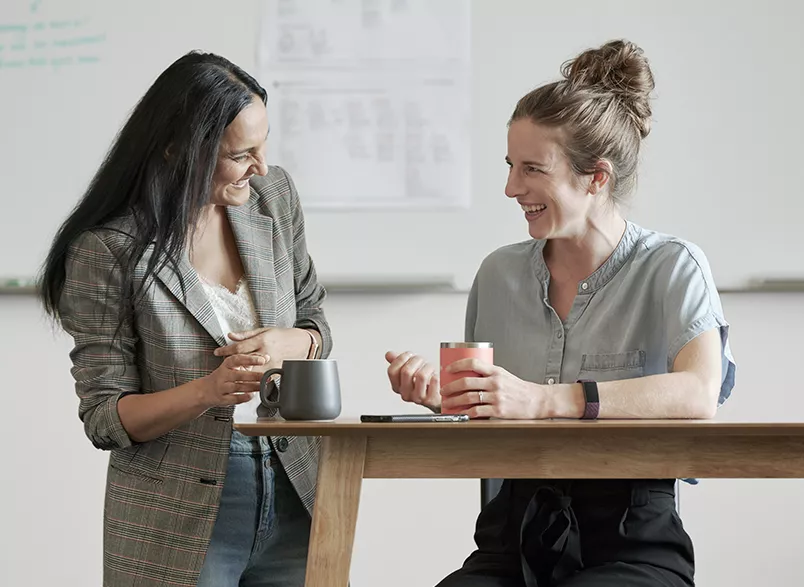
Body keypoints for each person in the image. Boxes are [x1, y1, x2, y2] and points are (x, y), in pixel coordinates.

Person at [385, 39, 736, 587]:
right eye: (509, 166)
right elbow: (491, 417)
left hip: (631, 543)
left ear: (597, 177)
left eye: (532, 169)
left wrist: (547, 399)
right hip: (512, 539)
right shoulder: (497, 275)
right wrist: (447, 400)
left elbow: (698, 394)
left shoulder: (673, 267)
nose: (510, 188)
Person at [39, 52, 331, 586]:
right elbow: (105, 418)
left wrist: (288, 342)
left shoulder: (273, 199)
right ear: (179, 151)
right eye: (242, 154)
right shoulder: (107, 250)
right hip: (174, 519)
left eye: (264, 145)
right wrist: (208, 390)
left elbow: (316, 324)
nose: (261, 167)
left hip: (298, 489)